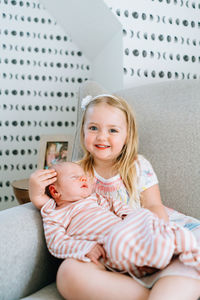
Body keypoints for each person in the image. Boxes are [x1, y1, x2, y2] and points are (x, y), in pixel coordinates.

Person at [29, 94, 200, 300]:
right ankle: (147, 292)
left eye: (112, 130)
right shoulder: (75, 173)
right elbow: (53, 209)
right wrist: (36, 192)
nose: (102, 137)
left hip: (145, 233)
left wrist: (155, 233)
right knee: (68, 273)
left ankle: (167, 281)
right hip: (105, 249)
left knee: (186, 254)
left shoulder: (137, 166)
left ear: (127, 136)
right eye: (93, 128)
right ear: (82, 131)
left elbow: (154, 206)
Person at [41, 161, 200, 278]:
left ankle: (184, 247)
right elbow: (57, 242)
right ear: (55, 191)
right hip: (110, 245)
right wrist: (84, 247)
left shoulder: (96, 198)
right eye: (75, 177)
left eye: (84, 177)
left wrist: (134, 219)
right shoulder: (54, 213)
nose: (83, 179)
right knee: (119, 241)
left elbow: (119, 207)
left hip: (128, 230)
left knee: (146, 217)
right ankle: (165, 253)